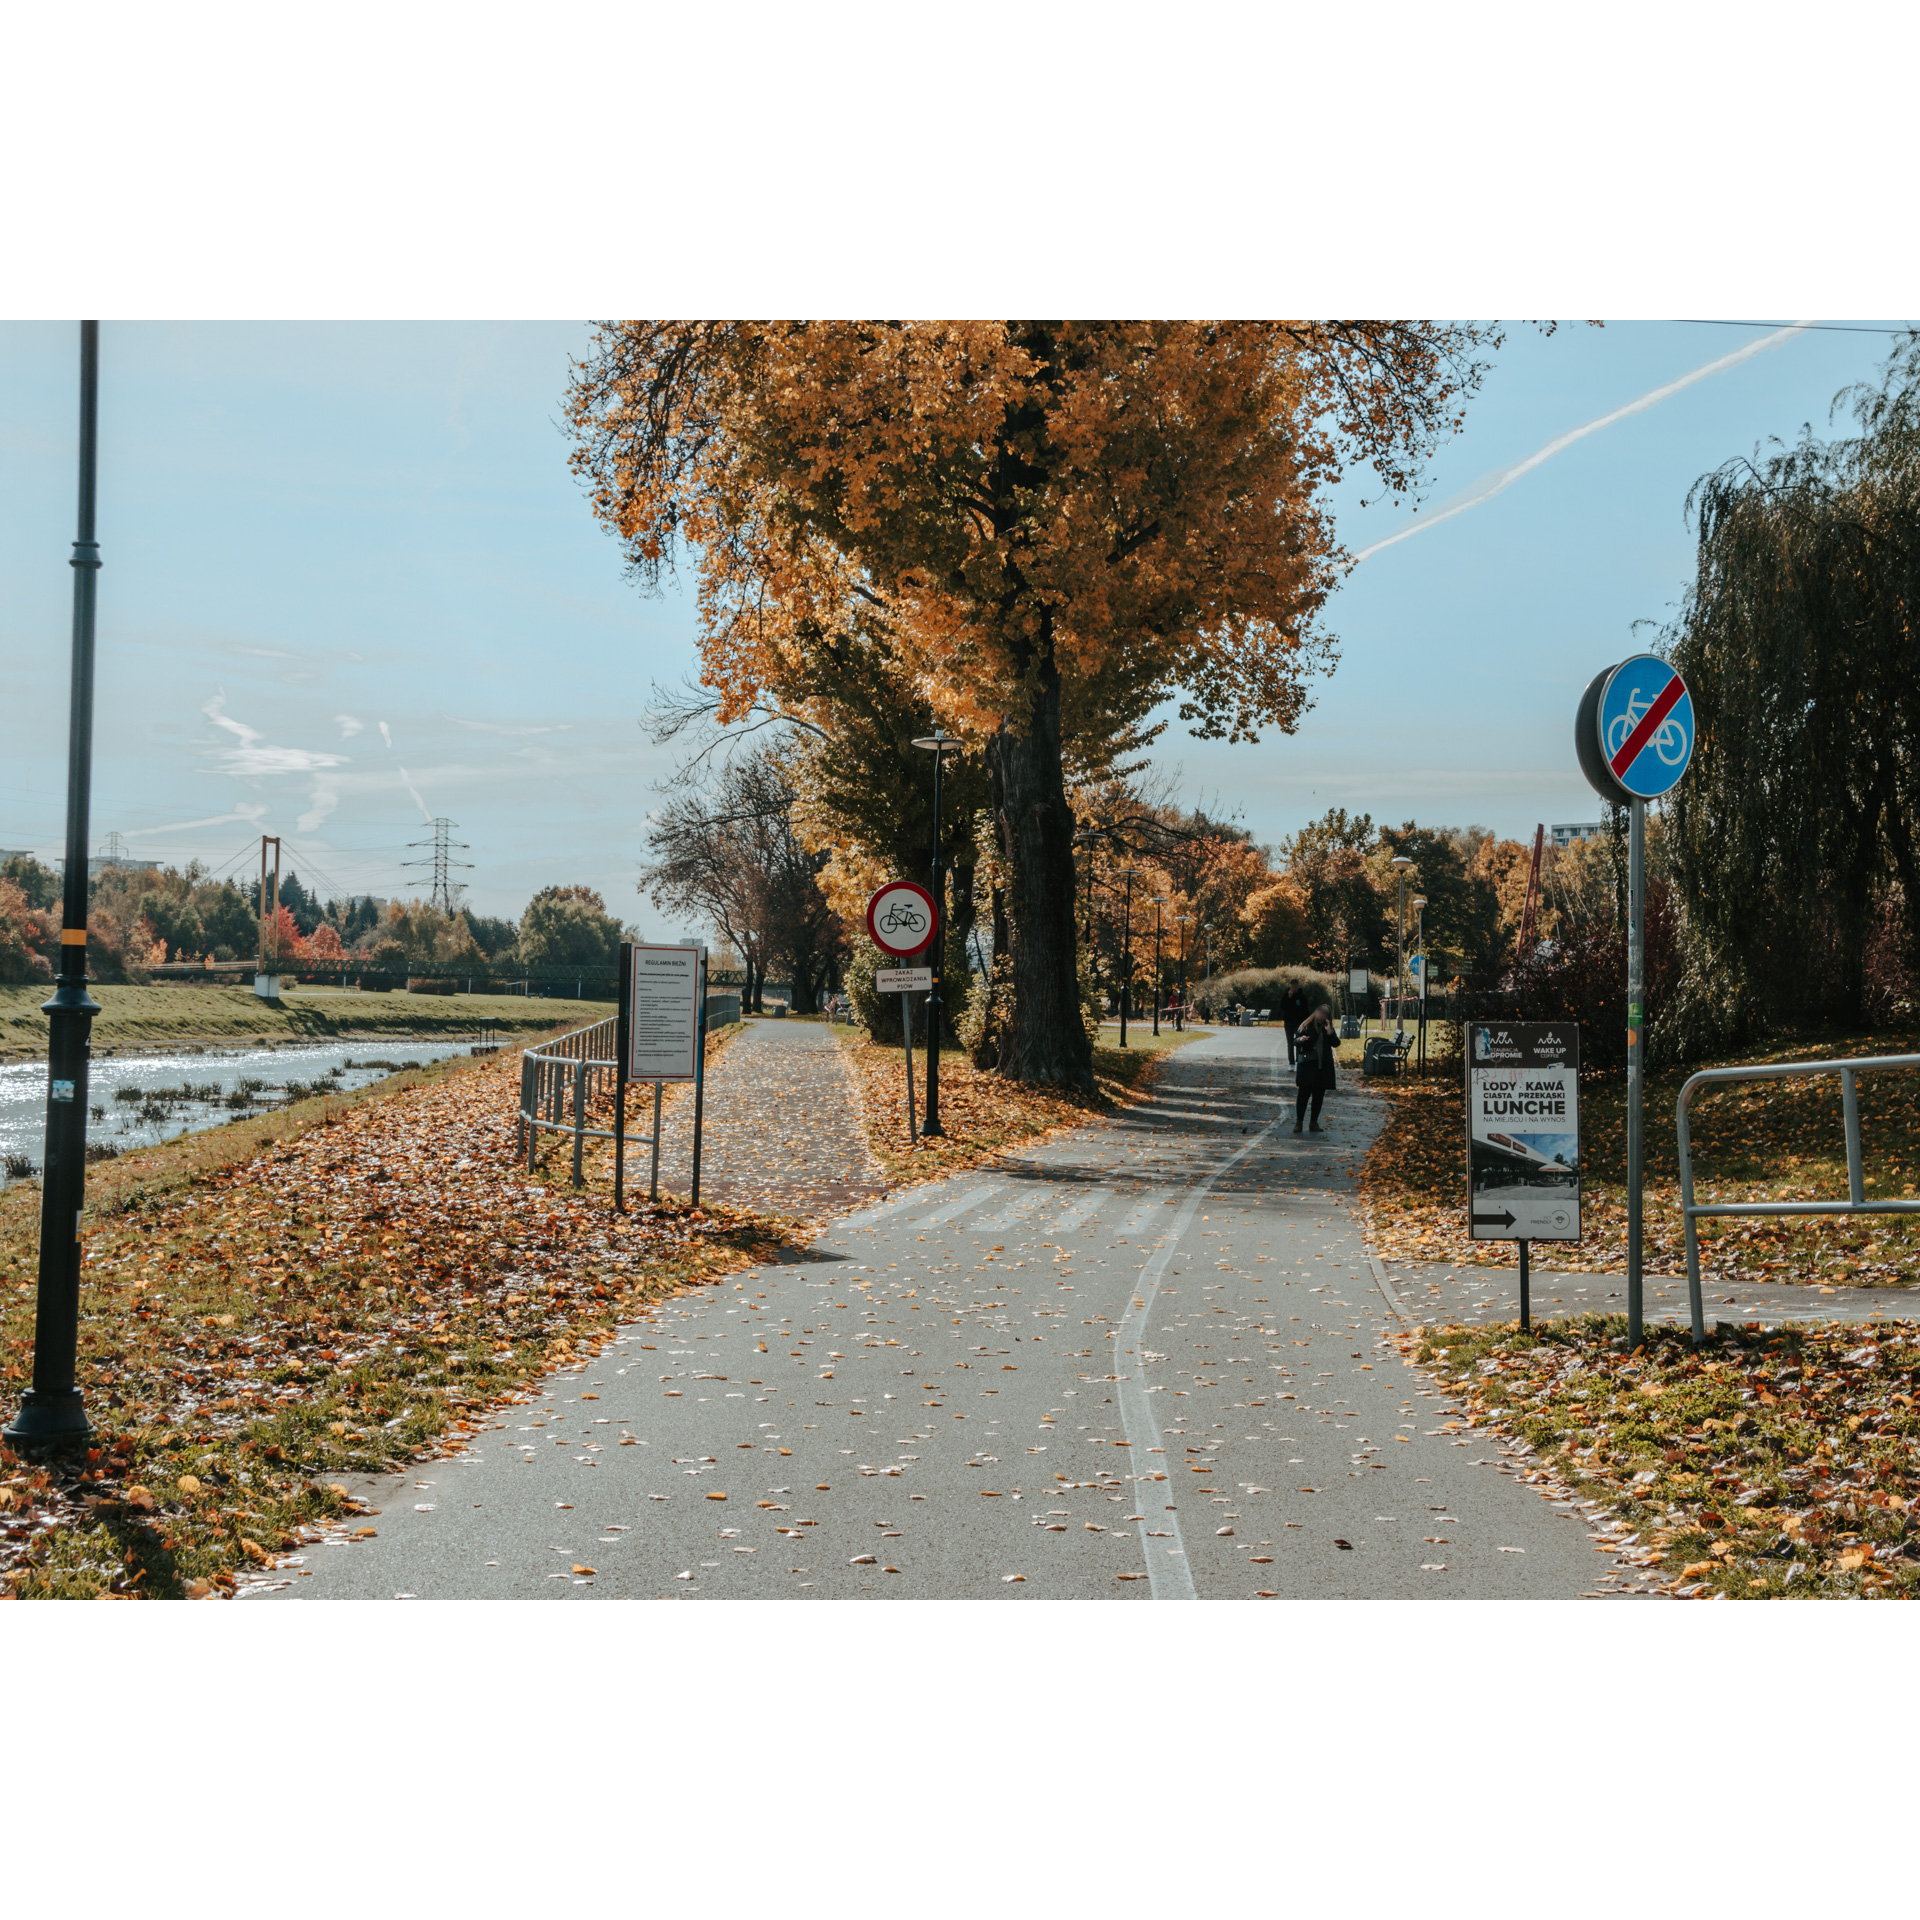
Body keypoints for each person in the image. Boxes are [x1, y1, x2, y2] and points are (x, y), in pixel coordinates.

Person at [1294, 1004, 1336, 1133]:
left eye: (1325, 1012)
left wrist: (1330, 1032)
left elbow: (1336, 1043)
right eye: (1320, 1011)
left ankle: (1313, 1122)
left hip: (1322, 1067)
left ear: (1328, 1016)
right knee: (1303, 1095)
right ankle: (1299, 1122)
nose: (1322, 1014)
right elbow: (1295, 1041)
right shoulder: (1306, 1026)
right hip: (1307, 1065)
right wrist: (1301, 1039)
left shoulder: (1327, 1028)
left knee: (1318, 1096)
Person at [1281, 983, 1310, 1063]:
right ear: (1290, 986)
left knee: (1298, 1041)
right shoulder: (1285, 996)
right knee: (1290, 1043)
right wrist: (1289, 998)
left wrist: (1306, 1023)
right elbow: (1283, 1007)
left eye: (1295, 986)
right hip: (1288, 1022)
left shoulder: (1302, 997)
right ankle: (1291, 1062)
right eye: (1292, 986)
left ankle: (1298, 1061)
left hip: (1299, 1023)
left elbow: (1305, 1010)